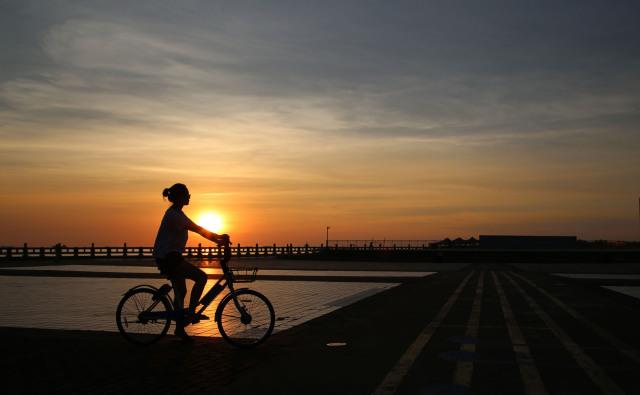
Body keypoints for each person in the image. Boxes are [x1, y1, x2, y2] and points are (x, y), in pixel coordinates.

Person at [153, 183, 230, 341]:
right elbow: (198, 229)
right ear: (180, 197)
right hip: (169, 259)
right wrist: (219, 238)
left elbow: (198, 229)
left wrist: (218, 238)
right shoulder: (175, 215)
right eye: (187, 194)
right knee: (201, 277)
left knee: (181, 292)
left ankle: (179, 329)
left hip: (170, 257)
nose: (189, 196)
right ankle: (192, 313)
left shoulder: (177, 213)